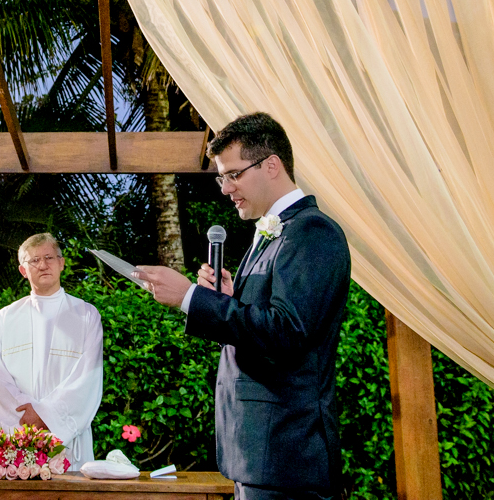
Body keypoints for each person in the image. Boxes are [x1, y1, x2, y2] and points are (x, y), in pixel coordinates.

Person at [134, 113, 351, 500]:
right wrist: (231, 300)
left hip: (287, 457)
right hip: (257, 456)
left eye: (233, 174)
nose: (225, 188)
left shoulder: (312, 231)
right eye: (222, 177)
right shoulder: (269, 234)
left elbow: (287, 334)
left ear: (271, 165)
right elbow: (266, 323)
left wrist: (190, 298)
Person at [0, 233, 103, 468]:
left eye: (49, 257)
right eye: (34, 260)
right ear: (23, 271)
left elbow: (88, 378)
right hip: (20, 439)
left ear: (61, 263)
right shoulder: (5, 318)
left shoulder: (86, 314)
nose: (43, 265)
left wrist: (45, 414)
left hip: (69, 440)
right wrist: (27, 418)